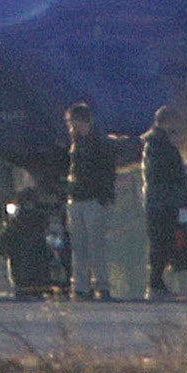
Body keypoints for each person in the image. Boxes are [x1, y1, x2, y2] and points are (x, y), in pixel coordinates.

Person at [62, 101, 122, 299]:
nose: (70, 127)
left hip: (93, 199)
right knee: (78, 246)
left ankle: (101, 284)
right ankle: (80, 286)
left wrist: (104, 197)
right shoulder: (76, 143)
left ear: (81, 121)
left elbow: (107, 173)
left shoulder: (100, 143)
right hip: (77, 198)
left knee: (96, 245)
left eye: (72, 122)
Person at [140, 106, 187, 299]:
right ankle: (155, 283)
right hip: (162, 200)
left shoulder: (158, 142)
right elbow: (158, 172)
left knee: (163, 241)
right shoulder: (158, 143)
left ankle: (157, 282)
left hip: (161, 199)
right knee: (161, 241)